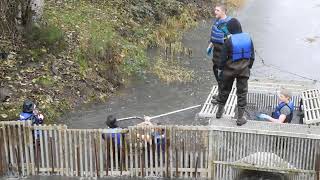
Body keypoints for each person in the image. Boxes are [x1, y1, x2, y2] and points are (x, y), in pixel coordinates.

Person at [215, 18, 255, 126]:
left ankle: (219, 112)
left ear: (231, 29)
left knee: (224, 90)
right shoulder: (248, 38)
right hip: (244, 71)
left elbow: (223, 58)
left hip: (229, 71)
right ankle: (240, 118)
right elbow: (252, 56)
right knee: (242, 93)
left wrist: (221, 69)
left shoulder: (229, 41)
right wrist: (248, 67)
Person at [207, 4, 232, 103]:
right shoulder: (218, 21)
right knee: (216, 71)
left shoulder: (228, 24)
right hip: (216, 52)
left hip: (223, 54)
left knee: (222, 75)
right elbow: (215, 35)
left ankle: (221, 99)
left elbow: (231, 39)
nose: (215, 12)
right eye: (215, 10)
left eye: (217, 10)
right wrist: (210, 45)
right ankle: (220, 94)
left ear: (223, 12)